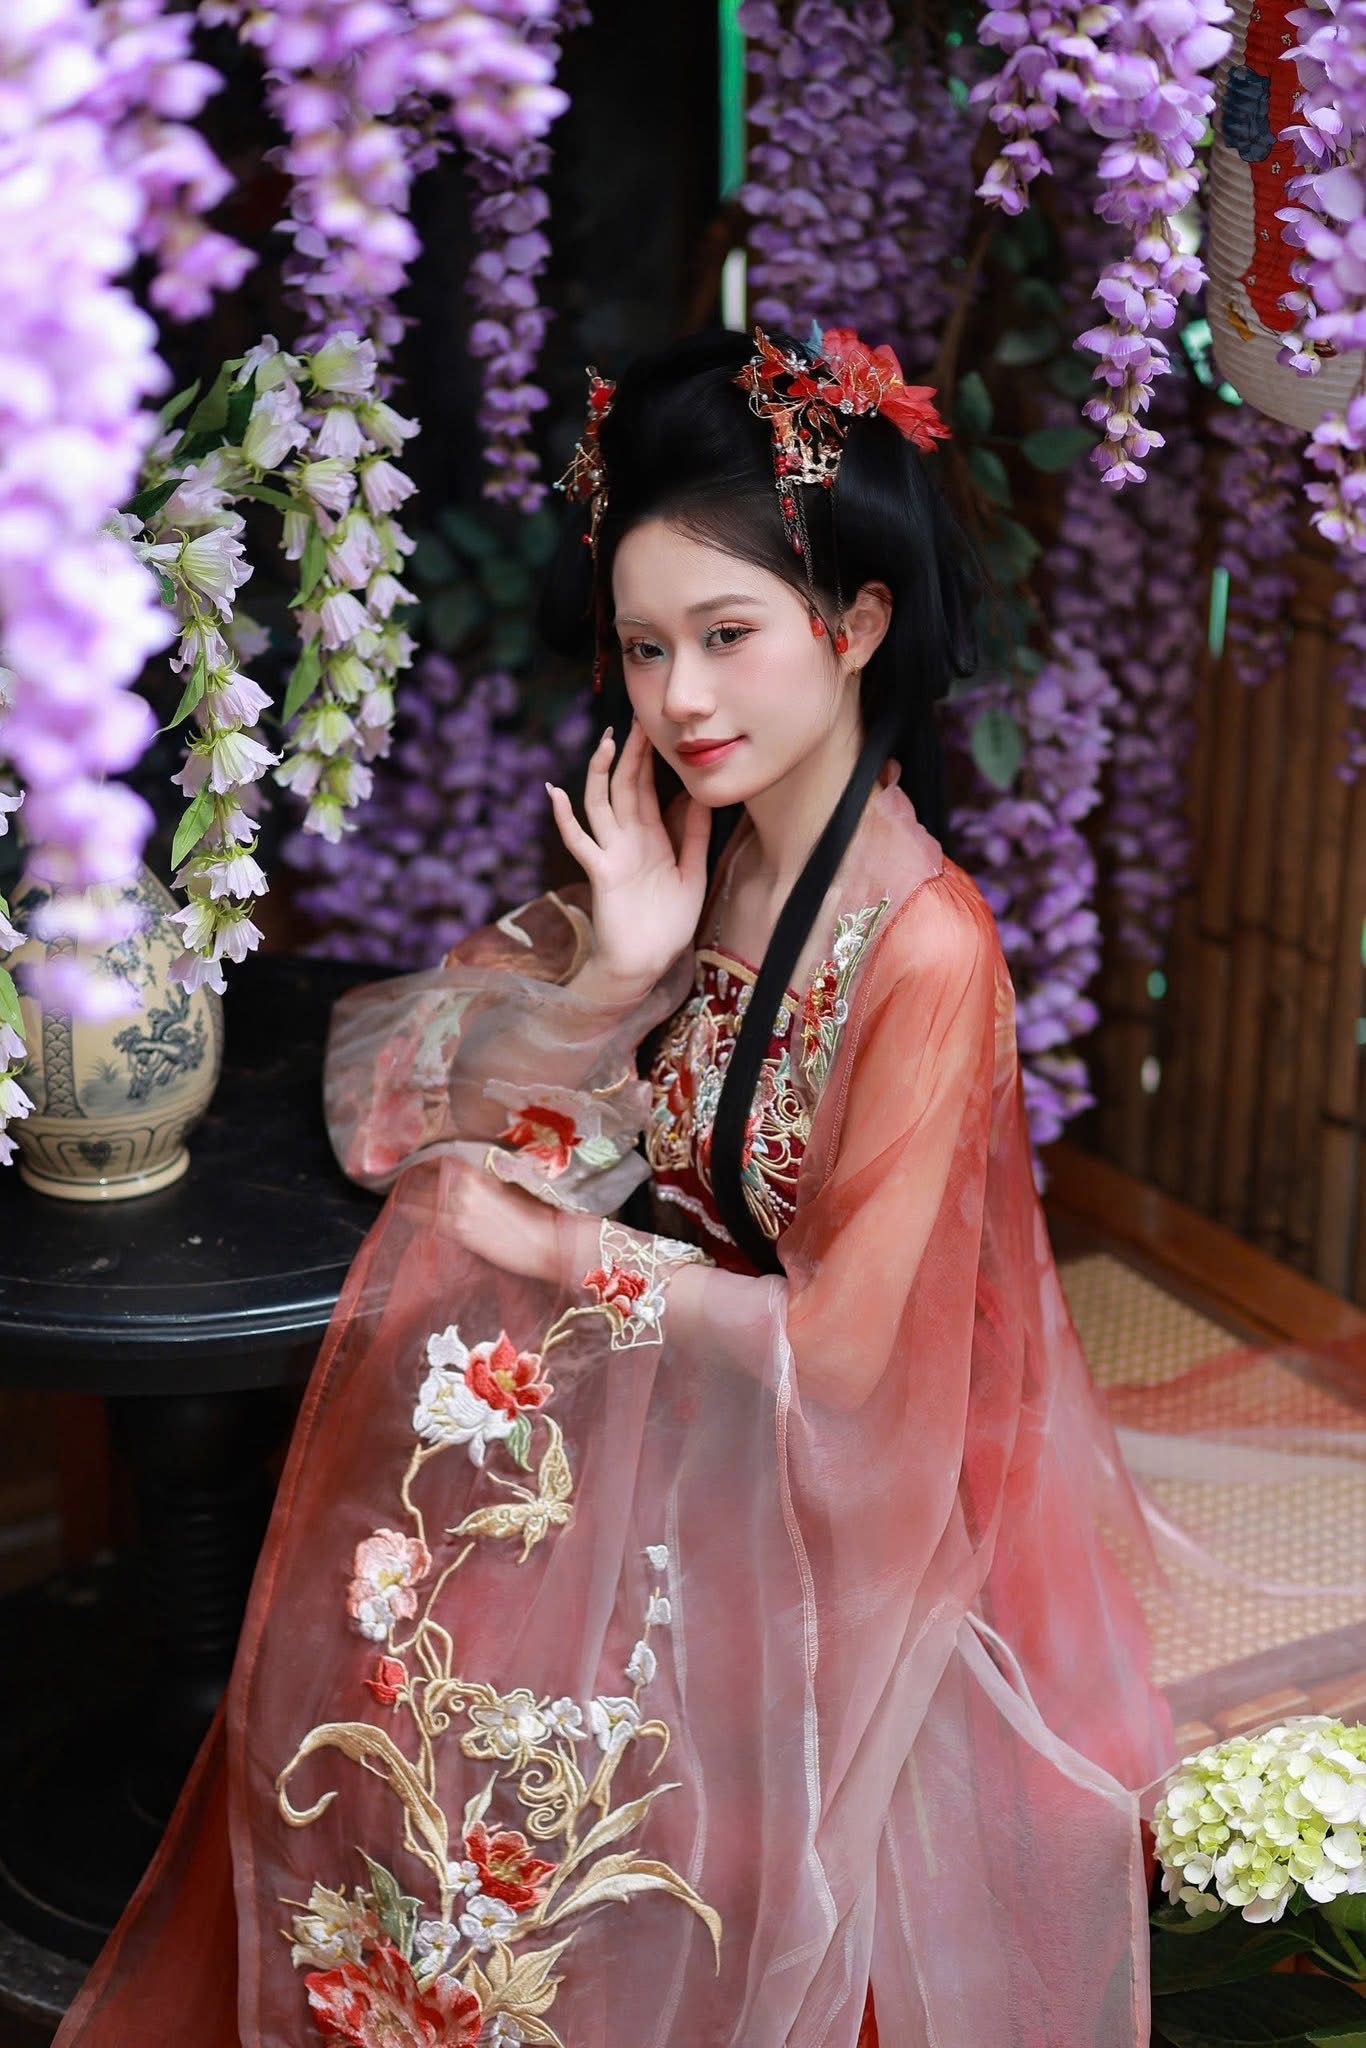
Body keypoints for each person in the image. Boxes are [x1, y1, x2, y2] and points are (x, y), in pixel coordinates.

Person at [53, 326, 1176, 2048]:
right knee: (386, 1695)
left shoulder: (925, 947)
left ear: (855, 623)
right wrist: (615, 977)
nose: (681, 700)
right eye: (646, 648)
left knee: (520, 1816)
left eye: (727, 636)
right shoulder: (701, 843)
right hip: (685, 1416)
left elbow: (848, 1356)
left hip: (835, 1497)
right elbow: (397, 1100)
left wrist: (567, 1245)